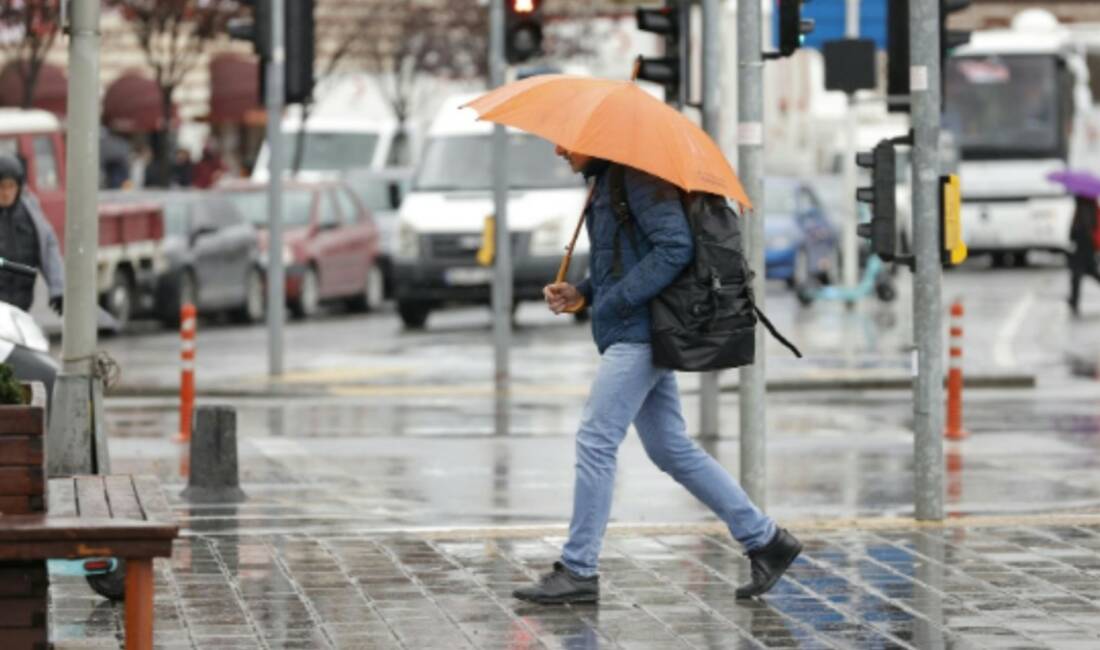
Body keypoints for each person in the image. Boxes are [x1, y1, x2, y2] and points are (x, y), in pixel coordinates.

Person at [512, 146, 801, 605]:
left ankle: (579, 568)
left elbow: (675, 247)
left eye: (569, 142)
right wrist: (583, 293)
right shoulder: (607, 183)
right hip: (634, 329)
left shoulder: (637, 179)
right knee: (670, 447)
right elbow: (625, 259)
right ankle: (766, 540)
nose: (560, 149)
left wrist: (617, 300)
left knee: (595, 440)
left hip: (640, 333)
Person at [0, 154, 64, 313]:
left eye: (11, 186)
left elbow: (49, 246)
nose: (6, 193)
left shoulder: (31, 214)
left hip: (22, 308)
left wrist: (58, 288)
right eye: (1, 186)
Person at [1068, 194, 1100, 316]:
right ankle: (1073, 300)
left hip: (1084, 245)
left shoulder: (1085, 205)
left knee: (1078, 274)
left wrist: (1073, 234)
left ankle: (1074, 300)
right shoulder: (1085, 203)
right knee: (1082, 274)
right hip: (1085, 245)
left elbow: (1084, 226)